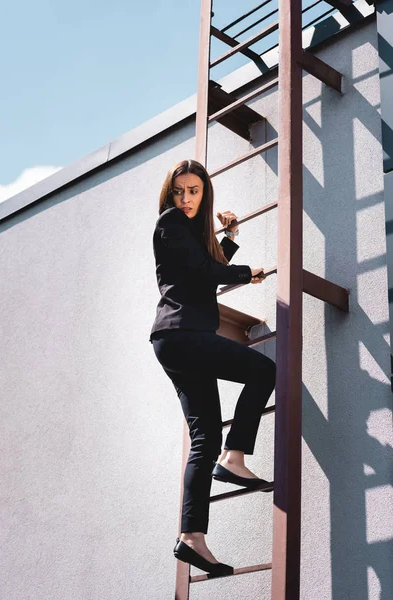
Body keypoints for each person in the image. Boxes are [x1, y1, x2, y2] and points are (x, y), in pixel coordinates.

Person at [149, 159, 276, 577]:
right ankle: (235, 457)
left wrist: (231, 237)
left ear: (205, 193)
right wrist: (246, 272)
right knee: (262, 371)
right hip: (183, 334)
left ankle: (192, 539)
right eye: (179, 191)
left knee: (204, 437)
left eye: (194, 191)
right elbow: (209, 271)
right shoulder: (169, 222)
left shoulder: (185, 232)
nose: (186, 199)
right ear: (170, 194)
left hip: (176, 340)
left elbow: (204, 275)